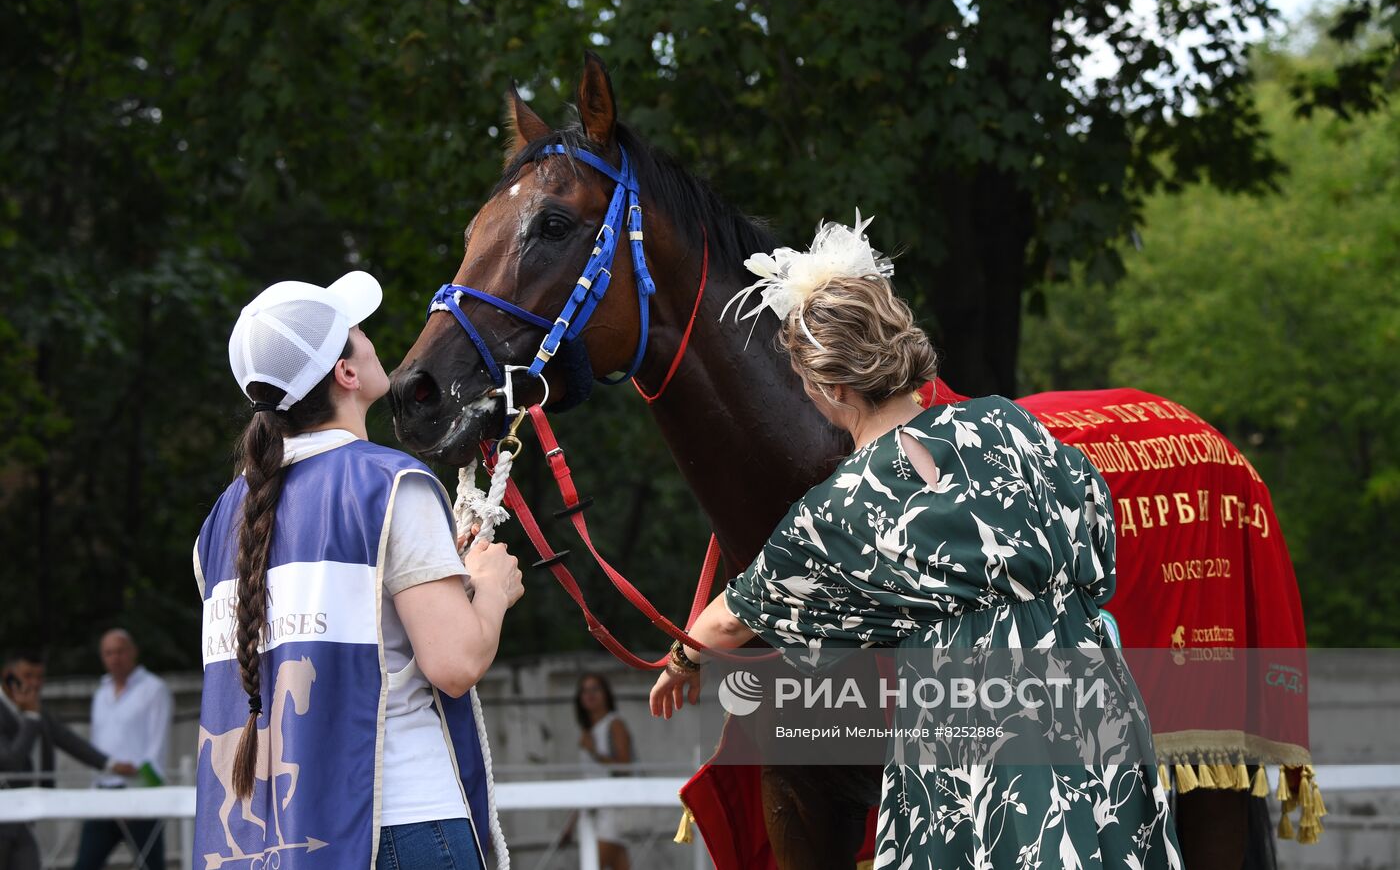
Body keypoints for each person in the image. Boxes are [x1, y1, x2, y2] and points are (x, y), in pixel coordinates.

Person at [650, 217, 1181, 870]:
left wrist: (682, 657)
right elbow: (1098, 532)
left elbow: (735, 615)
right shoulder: (1006, 421)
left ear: (834, 386)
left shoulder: (845, 504)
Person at [193, 272, 524, 870]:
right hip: (401, 826)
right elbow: (455, 664)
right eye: (357, 333)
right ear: (347, 374)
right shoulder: (390, 483)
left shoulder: (222, 519)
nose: (372, 342)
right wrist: (492, 587)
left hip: (272, 845)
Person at [1, 649, 137, 870]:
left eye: (39, 677)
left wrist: (111, 764)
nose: (35, 683)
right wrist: (31, 718)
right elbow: (10, 761)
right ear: (8, 676)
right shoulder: (29, 713)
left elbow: (70, 741)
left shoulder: (37, 711)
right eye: (28, 676)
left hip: (23, 819)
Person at [73, 629, 173, 870]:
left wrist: (139, 792)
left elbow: (157, 748)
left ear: (133, 652)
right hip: (104, 792)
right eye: (108, 653)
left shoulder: (154, 689)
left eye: (120, 651)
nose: (114, 658)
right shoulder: (101, 692)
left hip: (139, 793)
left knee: (151, 864)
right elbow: (98, 744)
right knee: (85, 864)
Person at [572, 673, 632, 870]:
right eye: (584, 690)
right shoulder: (588, 731)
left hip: (611, 809)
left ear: (606, 693)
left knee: (591, 865)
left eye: (595, 689)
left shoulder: (614, 724)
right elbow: (588, 779)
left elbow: (624, 766)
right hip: (593, 810)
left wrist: (594, 752)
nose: (589, 694)